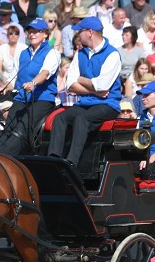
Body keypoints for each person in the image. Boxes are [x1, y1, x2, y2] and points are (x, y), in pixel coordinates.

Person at [47, 16, 122, 167]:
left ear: (90, 32)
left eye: (79, 31)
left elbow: (102, 85)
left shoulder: (112, 54)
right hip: (88, 101)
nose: (77, 35)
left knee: (82, 119)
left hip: (108, 104)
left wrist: (80, 79)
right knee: (60, 118)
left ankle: (71, 163)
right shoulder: (81, 53)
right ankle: (53, 160)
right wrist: (93, 91)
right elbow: (70, 84)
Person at [0, 19, 58, 156]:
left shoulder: (52, 53)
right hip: (22, 97)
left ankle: (3, 158)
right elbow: (16, 76)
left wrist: (33, 83)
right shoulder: (23, 53)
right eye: (30, 31)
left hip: (42, 99)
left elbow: (45, 73)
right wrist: (4, 88)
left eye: (36, 31)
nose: (32, 34)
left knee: (21, 129)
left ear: (45, 34)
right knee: (9, 127)